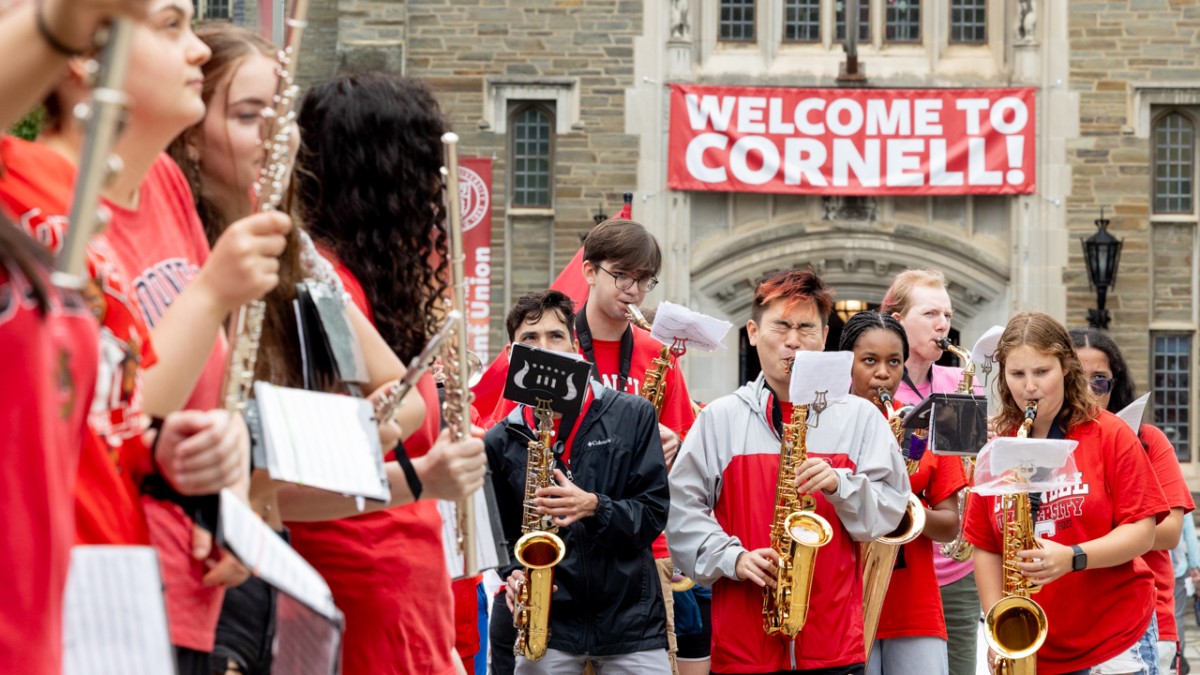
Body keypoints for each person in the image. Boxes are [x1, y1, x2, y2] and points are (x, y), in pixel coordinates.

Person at [0, 1, 284, 668]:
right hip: (64, 580)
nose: (199, 52)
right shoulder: (26, 189)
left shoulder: (161, 184)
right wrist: (213, 291)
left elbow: (122, 411)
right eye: (169, 26)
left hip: (126, 578)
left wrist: (210, 470)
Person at [293, 71, 488, 675]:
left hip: (404, 585)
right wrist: (429, 476)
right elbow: (315, 465)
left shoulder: (355, 286)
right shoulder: (322, 286)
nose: (434, 199)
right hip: (361, 587)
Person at [668, 269, 909, 675]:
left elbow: (889, 514)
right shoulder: (718, 418)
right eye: (781, 325)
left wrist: (841, 485)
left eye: (806, 328)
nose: (793, 341)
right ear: (752, 332)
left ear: (825, 337)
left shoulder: (863, 418)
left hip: (834, 646)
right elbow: (680, 513)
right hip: (743, 648)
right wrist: (733, 557)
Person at [964, 312, 1167, 675]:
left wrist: (1073, 556)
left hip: (1114, 640)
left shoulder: (1110, 433)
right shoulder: (997, 447)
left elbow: (1143, 530)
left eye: (1042, 372)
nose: (1030, 387)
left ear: (1067, 367)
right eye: (1017, 374)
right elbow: (986, 545)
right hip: (1036, 646)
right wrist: (999, 627)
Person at [487, 289, 671, 673]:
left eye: (556, 336)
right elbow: (500, 539)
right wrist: (513, 575)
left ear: (576, 348)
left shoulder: (634, 414)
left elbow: (653, 514)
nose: (545, 348)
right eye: (530, 339)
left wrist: (594, 506)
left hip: (631, 625)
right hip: (547, 625)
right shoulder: (499, 440)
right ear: (510, 356)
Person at [839, 310, 966, 675]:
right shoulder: (824, 424)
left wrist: (904, 510)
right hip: (843, 601)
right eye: (869, 361)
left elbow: (950, 525)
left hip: (914, 604)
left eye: (894, 361)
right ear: (847, 365)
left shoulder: (924, 426)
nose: (883, 373)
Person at [1069, 327, 1196, 674]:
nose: (1089, 391)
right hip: (1065, 622)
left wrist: (1094, 525)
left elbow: (1170, 531)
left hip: (1141, 620)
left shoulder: (1147, 439)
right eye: (1077, 378)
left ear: (1115, 386)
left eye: (1100, 381)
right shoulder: (1043, 442)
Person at [880, 268, 979, 675]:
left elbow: (968, 466)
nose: (943, 325)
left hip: (956, 568)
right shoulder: (877, 384)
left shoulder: (959, 380)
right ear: (896, 318)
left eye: (949, 316)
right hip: (897, 566)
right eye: (931, 314)